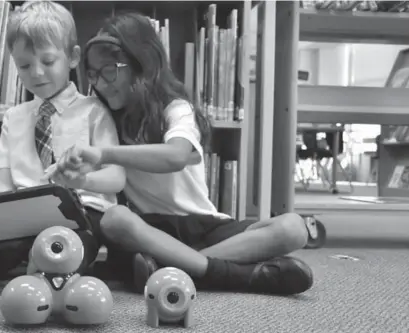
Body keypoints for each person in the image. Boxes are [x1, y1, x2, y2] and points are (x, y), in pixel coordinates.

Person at [46, 12, 314, 295]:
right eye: (94, 74)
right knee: (115, 219)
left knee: (294, 228)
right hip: (150, 232)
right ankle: (235, 275)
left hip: (202, 227)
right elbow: (107, 183)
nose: (101, 83)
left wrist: (102, 154)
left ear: (141, 64)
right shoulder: (103, 117)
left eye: (110, 70)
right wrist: (78, 176)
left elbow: (174, 156)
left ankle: (177, 269)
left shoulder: (176, 109)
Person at [0, 0, 125, 286]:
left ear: (72, 57)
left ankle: (38, 264)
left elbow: (116, 178)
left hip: (78, 215)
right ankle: (24, 259)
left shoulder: (94, 111)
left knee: (47, 267)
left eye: (47, 62)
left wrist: (81, 180)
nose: (37, 73)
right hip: (21, 218)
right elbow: (3, 185)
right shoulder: (14, 117)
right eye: (24, 65)